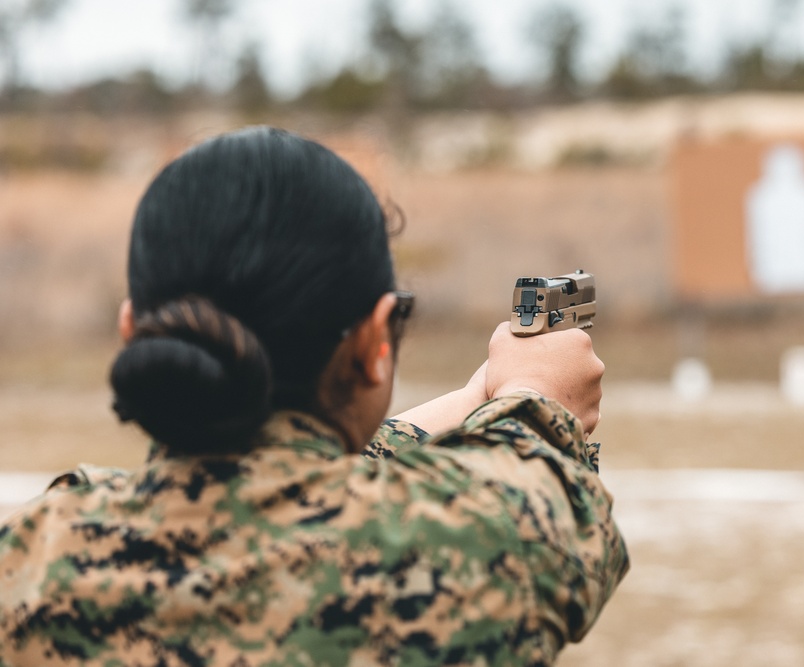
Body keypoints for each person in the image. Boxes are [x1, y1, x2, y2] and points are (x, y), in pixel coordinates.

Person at [0, 127, 629, 666]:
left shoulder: (31, 559)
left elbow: (277, 487)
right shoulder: (484, 542)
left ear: (132, 331)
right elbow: (541, 497)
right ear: (374, 343)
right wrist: (535, 395)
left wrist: (478, 395)